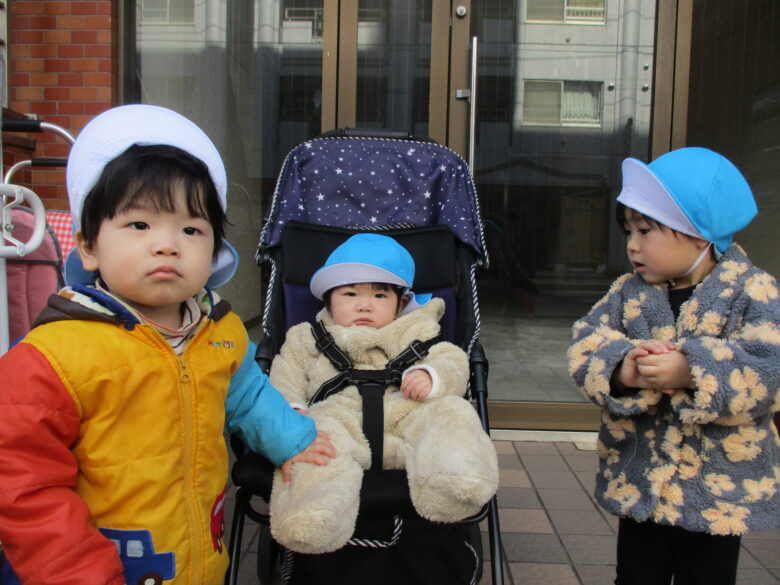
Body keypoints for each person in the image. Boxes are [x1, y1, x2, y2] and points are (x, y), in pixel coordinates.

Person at [0, 104, 335, 585]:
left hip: (199, 557)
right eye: (139, 225)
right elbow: (24, 488)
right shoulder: (51, 357)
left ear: (214, 250)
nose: (167, 244)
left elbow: (248, 397)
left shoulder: (219, 332)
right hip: (93, 568)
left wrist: (294, 441)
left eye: (191, 229)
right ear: (89, 246)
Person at [568, 147, 780, 585]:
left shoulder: (751, 291)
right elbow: (587, 341)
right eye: (629, 231)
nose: (632, 245)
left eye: (645, 231)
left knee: (708, 575)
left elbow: (768, 366)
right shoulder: (628, 292)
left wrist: (693, 371)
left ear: (699, 235)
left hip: (717, 486)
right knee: (636, 573)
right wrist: (621, 369)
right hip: (640, 474)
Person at [267, 233, 499, 554]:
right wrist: (291, 411)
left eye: (379, 295)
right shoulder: (308, 338)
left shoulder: (415, 333)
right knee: (314, 439)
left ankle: (454, 481)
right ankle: (315, 513)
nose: (364, 304)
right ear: (329, 300)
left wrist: (431, 375)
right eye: (350, 293)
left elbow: (453, 360)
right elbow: (286, 374)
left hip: (406, 422)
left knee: (452, 413)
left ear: (401, 304)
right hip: (341, 424)